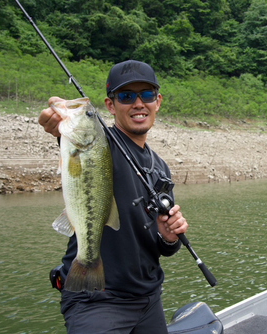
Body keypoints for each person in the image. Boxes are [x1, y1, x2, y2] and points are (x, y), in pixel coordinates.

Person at [39, 60, 188, 333]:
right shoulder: (99, 144)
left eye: (146, 94)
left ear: (158, 101)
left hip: (148, 298)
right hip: (96, 302)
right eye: (127, 96)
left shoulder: (160, 168)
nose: (138, 103)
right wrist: (58, 126)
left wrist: (168, 239)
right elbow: (77, 142)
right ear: (111, 105)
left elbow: (161, 248)